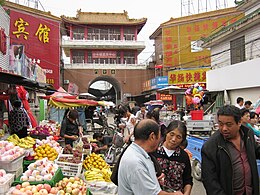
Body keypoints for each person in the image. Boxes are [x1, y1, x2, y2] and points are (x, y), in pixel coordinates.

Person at [201, 105, 260, 195]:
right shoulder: (210, 147)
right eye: (220, 124)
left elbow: (256, 151)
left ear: (239, 122)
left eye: (229, 124)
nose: (224, 128)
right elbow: (210, 181)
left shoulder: (248, 134)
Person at [118, 119, 181, 195]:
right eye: (159, 136)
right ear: (152, 136)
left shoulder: (139, 153)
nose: (160, 141)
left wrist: (152, 180)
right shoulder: (135, 163)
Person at [152, 120, 193, 194]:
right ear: (166, 132)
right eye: (171, 134)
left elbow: (187, 180)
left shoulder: (183, 156)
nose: (174, 139)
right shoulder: (154, 151)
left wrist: (186, 193)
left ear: (182, 139)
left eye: (178, 137)